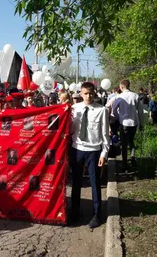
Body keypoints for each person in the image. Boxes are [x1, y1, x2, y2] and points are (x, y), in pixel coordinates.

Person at [70, 81, 110, 229]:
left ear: (95, 93)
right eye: (85, 93)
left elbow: (105, 135)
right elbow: (70, 130)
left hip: (93, 151)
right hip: (77, 149)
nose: (88, 96)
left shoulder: (102, 110)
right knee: (76, 182)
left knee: (95, 183)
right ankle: (75, 212)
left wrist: (103, 154)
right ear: (80, 93)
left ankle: (96, 214)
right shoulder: (74, 109)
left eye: (91, 93)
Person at [112, 80, 144, 171]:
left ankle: (124, 163)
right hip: (134, 123)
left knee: (124, 143)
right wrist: (141, 123)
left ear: (122, 87)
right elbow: (140, 111)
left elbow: (114, 110)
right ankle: (133, 157)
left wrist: (119, 117)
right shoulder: (135, 95)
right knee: (131, 140)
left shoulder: (119, 97)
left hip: (124, 123)